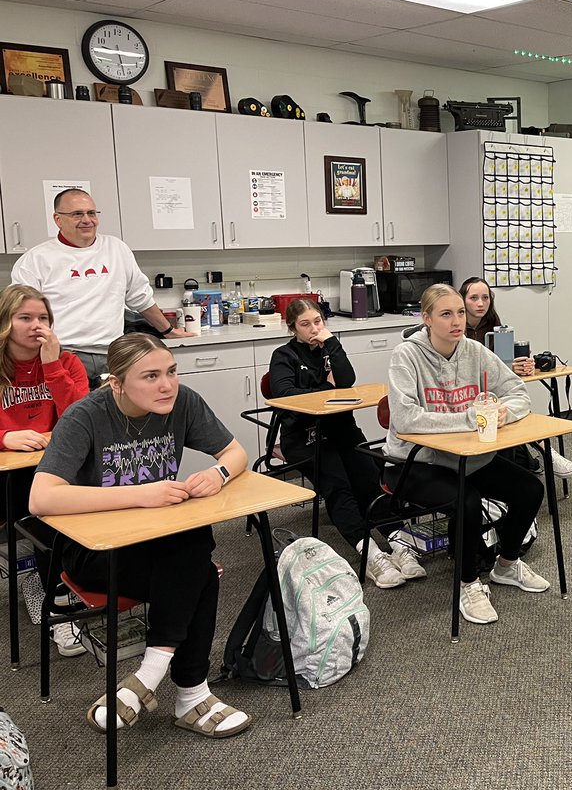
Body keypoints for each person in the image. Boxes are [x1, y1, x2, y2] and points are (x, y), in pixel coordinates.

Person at [28, 333, 253, 738]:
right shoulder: (85, 416)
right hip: (94, 551)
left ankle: (152, 678)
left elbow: (236, 454)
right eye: (150, 376)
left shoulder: (183, 402)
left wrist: (217, 475)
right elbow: (40, 499)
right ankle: (188, 695)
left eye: (170, 372)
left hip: (156, 544)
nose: (166, 385)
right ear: (116, 383)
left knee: (193, 549)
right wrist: (141, 495)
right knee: (197, 570)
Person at [386, 284, 550, 625]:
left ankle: (505, 566)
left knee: (530, 489)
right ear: (427, 318)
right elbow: (405, 418)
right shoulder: (407, 356)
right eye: (446, 314)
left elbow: (517, 392)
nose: (456, 321)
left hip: (466, 457)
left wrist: (505, 411)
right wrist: (466, 419)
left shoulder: (474, 351)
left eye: (460, 312)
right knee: (468, 501)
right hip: (417, 462)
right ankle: (468, 583)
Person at [269, 298, 425, 589]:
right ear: (293, 328)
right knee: (339, 486)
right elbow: (285, 395)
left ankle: (398, 542)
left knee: (369, 479)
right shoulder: (284, 356)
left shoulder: (330, 349)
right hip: (305, 437)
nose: (314, 328)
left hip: (341, 429)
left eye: (318, 322)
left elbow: (348, 380)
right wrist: (328, 387)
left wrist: (331, 344)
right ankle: (371, 553)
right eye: (305, 324)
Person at [10, 188, 193, 382]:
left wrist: (168, 331)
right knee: (72, 412)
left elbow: (141, 298)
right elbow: (23, 315)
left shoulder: (116, 249)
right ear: (58, 219)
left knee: (118, 412)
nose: (87, 220)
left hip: (113, 354)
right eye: (77, 214)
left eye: (91, 213)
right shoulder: (36, 259)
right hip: (63, 355)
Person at [0, 284, 90, 656]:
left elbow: (85, 417)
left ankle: (56, 587)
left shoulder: (67, 362)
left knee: (68, 511)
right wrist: (5, 436)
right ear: (6, 322)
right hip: (9, 472)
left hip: (52, 468)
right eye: (25, 318)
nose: (36, 326)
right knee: (39, 513)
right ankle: (51, 592)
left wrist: (52, 366)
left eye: (43, 318)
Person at [460, 276, 572, 479]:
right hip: (467, 394)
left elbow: (499, 365)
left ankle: (547, 454)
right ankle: (544, 454)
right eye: (473, 298)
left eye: (485, 297)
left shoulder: (495, 326)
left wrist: (517, 366)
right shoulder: (457, 329)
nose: (480, 303)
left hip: (492, 392)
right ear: (462, 299)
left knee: (516, 406)